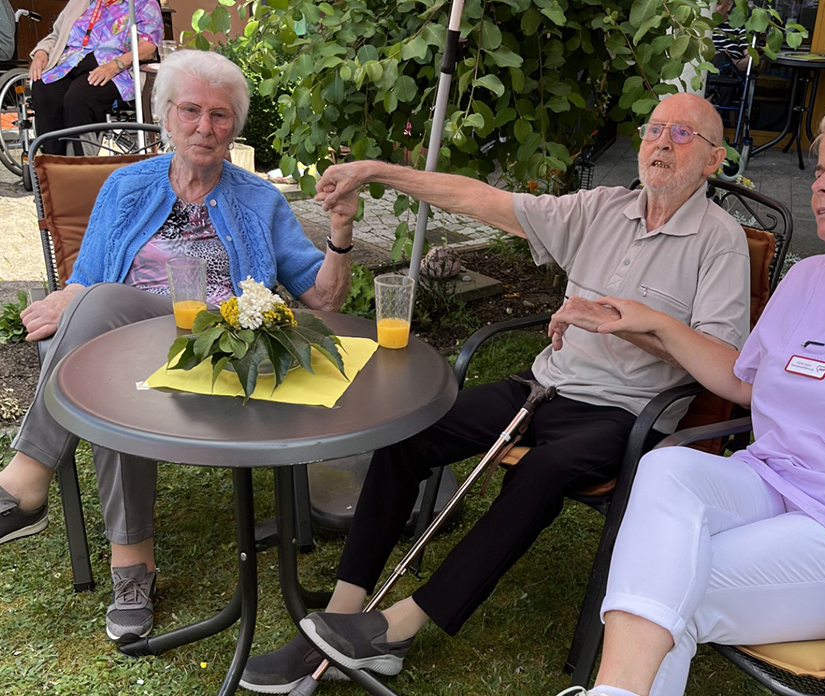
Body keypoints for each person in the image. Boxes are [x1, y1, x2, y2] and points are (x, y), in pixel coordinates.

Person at [239, 93, 752, 694]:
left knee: (541, 472)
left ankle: (396, 629)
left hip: (625, 413)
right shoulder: (601, 208)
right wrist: (376, 171)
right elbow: (477, 198)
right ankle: (341, 616)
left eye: (683, 134)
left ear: (713, 159)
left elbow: (724, 367)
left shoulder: (720, 241)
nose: (662, 142)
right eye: (654, 128)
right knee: (411, 430)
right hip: (543, 385)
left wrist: (627, 324)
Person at [544, 93, 825, 696]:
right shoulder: (808, 278)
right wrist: (651, 321)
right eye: (820, 170)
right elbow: (746, 381)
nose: (821, 184)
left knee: (670, 586)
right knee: (667, 469)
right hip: (770, 482)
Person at [0, 49, 357, 643]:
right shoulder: (126, 186)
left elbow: (323, 301)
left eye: (220, 115)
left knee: (106, 343)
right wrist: (69, 300)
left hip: (225, 351)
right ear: (166, 115)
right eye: (190, 110)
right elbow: (88, 278)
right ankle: (131, 568)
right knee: (111, 366)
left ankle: (26, 479)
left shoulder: (259, 199)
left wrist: (340, 236)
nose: (204, 127)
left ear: (234, 126)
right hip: (132, 344)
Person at [28, 0, 163, 155]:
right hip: (69, 63)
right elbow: (57, 34)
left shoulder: (143, 3)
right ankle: (53, 161)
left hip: (117, 69)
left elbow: (148, 47)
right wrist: (41, 52)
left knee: (79, 97)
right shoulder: (80, 2)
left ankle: (80, 162)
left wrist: (115, 65)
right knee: (44, 91)